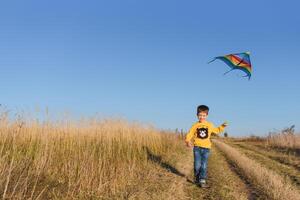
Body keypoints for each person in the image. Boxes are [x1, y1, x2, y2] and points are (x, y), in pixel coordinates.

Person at [185, 105, 227, 188]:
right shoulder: (195, 125)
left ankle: (202, 180)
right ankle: (197, 178)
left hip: (206, 148)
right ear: (197, 115)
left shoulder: (209, 125)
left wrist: (222, 126)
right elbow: (190, 133)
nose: (202, 117)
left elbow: (216, 131)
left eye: (204, 115)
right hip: (197, 148)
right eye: (200, 115)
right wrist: (187, 140)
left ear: (207, 115)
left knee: (204, 165)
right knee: (197, 165)